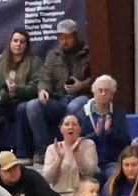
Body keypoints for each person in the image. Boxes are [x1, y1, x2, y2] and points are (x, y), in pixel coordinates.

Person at [26, 19, 92, 164]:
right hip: (59, 99)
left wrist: (81, 85)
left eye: (67, 37)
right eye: (61, 38)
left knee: (73, 107)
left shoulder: (89, 52)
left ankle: (71, 150)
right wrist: (43, 89)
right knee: (32, 106)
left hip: (83, 96)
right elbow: (45, 76)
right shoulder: (53, 54)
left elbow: (98, 78)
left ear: (76, 35)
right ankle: (45, 152)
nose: (64, 41)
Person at [0, 29, 43, 162]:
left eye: (22, 42)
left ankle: (23, 154)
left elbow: (35, 87)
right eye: (15, 41)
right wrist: (4, 93)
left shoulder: (34, 61)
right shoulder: (0, 63)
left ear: (26, 45)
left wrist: (17, 89)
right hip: (4, 102)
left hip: (23, 101)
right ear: (10, 43)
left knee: (23, 108)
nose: (18, 44)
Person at [76, 76, 131, 179]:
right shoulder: (82, 114)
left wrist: (110, 132)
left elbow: (126, 142)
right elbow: (78, 142)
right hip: (90, 161)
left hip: (112, 161)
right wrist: (95, 135)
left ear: (112, 94)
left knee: (115, 175)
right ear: (94, 92)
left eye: (107, 91)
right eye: (100, 90)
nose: (103, 94)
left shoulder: (119, 113)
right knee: (95, 175)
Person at [42, 114, 99, 196]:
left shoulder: (88, 144)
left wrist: (76, 153)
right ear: (61, 129)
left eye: (74, 124)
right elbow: (48, 178)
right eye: (67, 124)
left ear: (80, 129)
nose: (70, 127)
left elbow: (89, 172)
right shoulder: (52, 148)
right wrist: (59, 159)